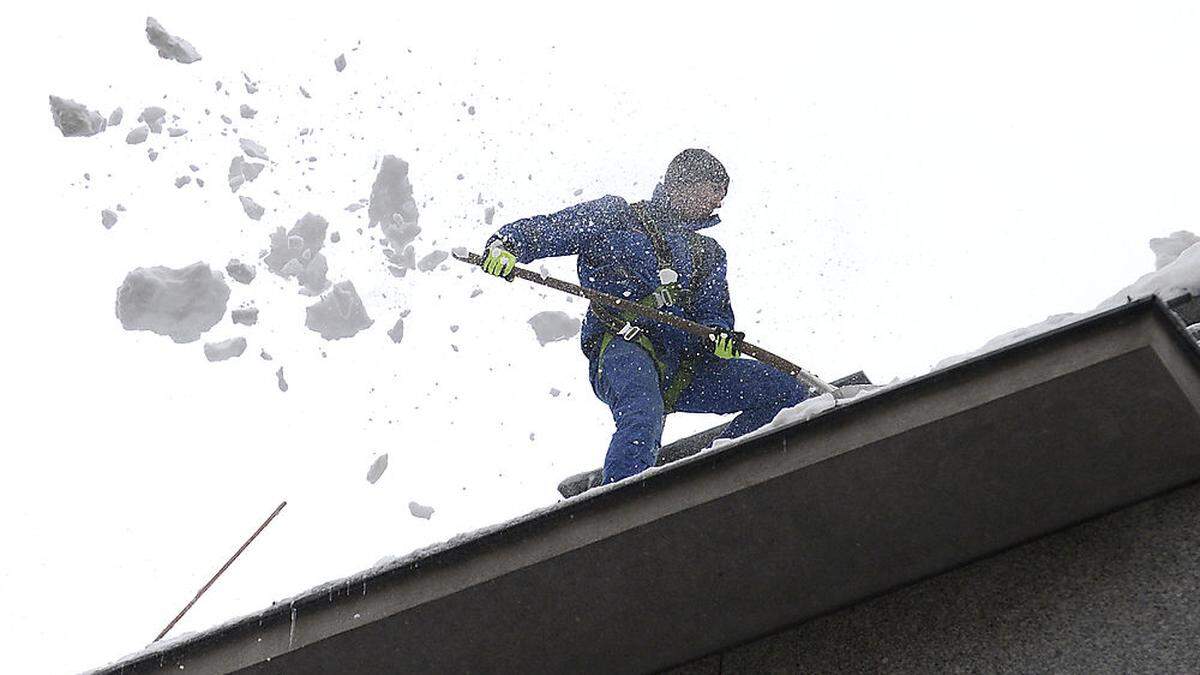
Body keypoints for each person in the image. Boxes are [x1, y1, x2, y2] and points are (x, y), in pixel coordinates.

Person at [482, 149, 813, 484]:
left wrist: (719, 338)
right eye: (710, 192)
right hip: (624, 345)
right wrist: (507, 244)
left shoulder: (709, 254)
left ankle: (717, 469)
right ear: (680, 184)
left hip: (685, 367)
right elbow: (555, 228)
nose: (717, 203)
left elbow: (714, 313)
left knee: (786, 391)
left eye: (720, 197)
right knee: (642, 413)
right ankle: (622, 503)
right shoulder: (616, 216)